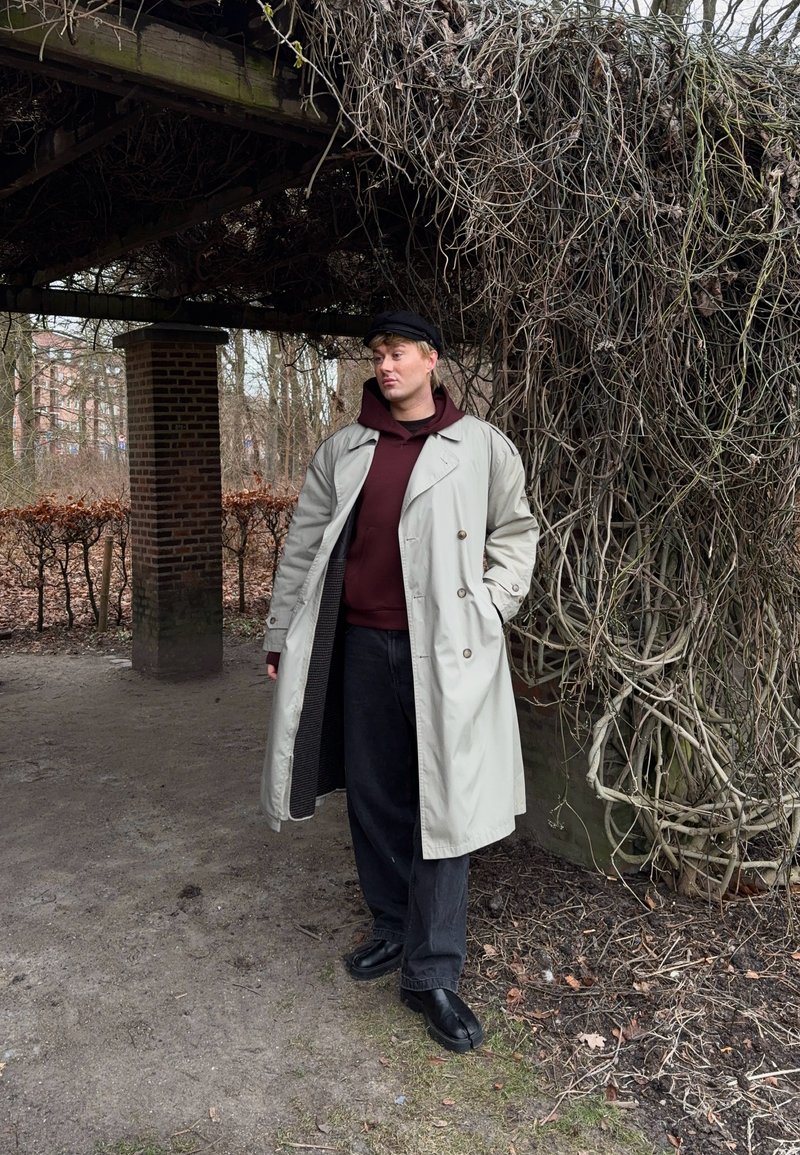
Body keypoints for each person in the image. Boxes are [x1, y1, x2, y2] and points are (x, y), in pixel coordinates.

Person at [262, 309, 538, 1052]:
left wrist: (490, 605)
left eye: (400, 353)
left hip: (447, 654)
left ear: (432, 361)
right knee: (376, 796)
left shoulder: (480, 447)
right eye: (378, 353)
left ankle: (433, 972)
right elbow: (304, 545)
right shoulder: (344, 449)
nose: (386, 365)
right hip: (358, 647)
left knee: (443, 805)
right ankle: (390, 925)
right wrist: (280, 632)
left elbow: (517, 532)